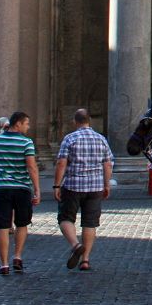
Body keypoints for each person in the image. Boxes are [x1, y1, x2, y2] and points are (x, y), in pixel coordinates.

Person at [54, 108, 115, 272]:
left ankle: (75, 245)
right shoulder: (101, 139)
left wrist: (57, 185)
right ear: (90, 120)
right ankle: (85, 260)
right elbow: (108, 164)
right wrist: (106, 184)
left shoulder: (70, 138)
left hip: (73, 185)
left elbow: (61, 163)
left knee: (66, 218)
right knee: (90, 223)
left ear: (75, 121)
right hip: (95, 187)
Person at [0, 112, 41, 276]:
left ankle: (4, 264)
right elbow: (31, 167)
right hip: (22, 187)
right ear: (18, 124)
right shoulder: (26, 142)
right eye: (26, 124)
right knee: (22, 223)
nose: (28, 127)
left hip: (2, 186)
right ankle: (17, 256)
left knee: (3, 226)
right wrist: (37, 189)